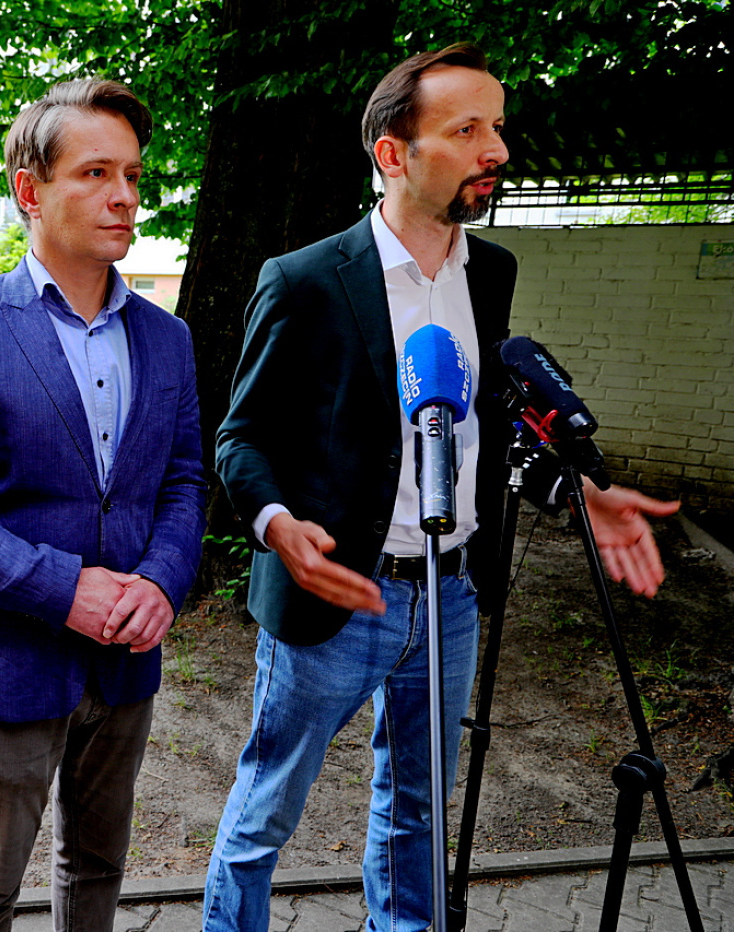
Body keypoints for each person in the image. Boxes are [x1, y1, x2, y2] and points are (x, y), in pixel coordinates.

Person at [203, 43, 680, 932]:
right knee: (267, 808)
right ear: (393, 153)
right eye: (466, 130)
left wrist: (577, 490)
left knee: (417, 808)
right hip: (334, 593)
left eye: (496, 127)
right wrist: (275, 524)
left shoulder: (491, 272)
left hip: (451, 593)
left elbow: (487, 427)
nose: (496, 149)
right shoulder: (302, 281)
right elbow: (240, 436)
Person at [0, 78, 207, 932]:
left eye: (132, 175)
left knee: (98, 867)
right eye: (96, 173)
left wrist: (162, 582)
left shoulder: (167, 337)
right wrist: (66, 589)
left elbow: (184, 481)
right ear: (30, 190)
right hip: (13, 656)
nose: (124, 196)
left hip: (128, 660)